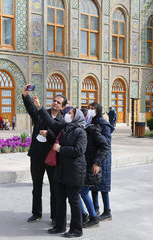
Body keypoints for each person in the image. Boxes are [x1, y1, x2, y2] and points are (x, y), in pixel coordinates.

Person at [35, 99, 87, 238]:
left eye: (70, 113)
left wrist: (61, 149)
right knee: (59, 199)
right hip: (61, 170)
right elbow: (50, 122)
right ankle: (60, 226)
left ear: (76, 117)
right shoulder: (64, 128)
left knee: (74, 201)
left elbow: (79, 150)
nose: (66, 115)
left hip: (74, 171)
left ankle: (76, 229)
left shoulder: (80, 132)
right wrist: (40, 108)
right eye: (67, 113)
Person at [22, 85, 65, 225]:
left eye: (58, 102)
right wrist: (26, 95)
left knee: (54, 188)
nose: (55, 103)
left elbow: (61, 136)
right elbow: (31, 109)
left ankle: (54, 216)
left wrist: (49, 134)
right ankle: (36, 213)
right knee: (37, 186)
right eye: (54, 100)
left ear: (62, 107)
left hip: (52, 158)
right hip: (37, 156)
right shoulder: (42, 113)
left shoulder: (63, 121)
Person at [80, 108, 109, 228]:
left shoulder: (92, 131)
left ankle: (92, 217)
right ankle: (84, 214)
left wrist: (97, 162)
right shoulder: (80, 130)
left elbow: (105, 147)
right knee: (76, 192)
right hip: (80, 166)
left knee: (83, 192)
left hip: (89, 167)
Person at [89, 102, 115, 222]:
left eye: (93, 108)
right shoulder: (91, 122)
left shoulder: (103, 124)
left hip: (103, 159)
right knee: (93, 185)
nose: (90, 110)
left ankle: (107, 211)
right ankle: (95, 208)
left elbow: (107, 142)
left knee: (103, 186)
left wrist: (96, 132)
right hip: (93, 157)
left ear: (98, 110)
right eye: (89, 108)